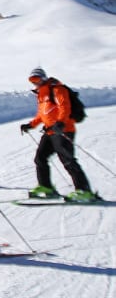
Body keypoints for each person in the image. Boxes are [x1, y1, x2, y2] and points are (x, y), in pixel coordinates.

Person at [20, 68, 96, 201]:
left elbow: (64, 107)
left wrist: (61, 123)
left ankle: (84, 191)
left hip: (63, 130)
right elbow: (42, 114)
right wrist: (31, 125)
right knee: (40, 158)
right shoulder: (41, 94)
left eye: (37, 79)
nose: (35, 83)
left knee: (68, 160)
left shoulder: (57, 89)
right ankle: (46, 187)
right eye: (32, 81)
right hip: (50, 131)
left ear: (43, 78)